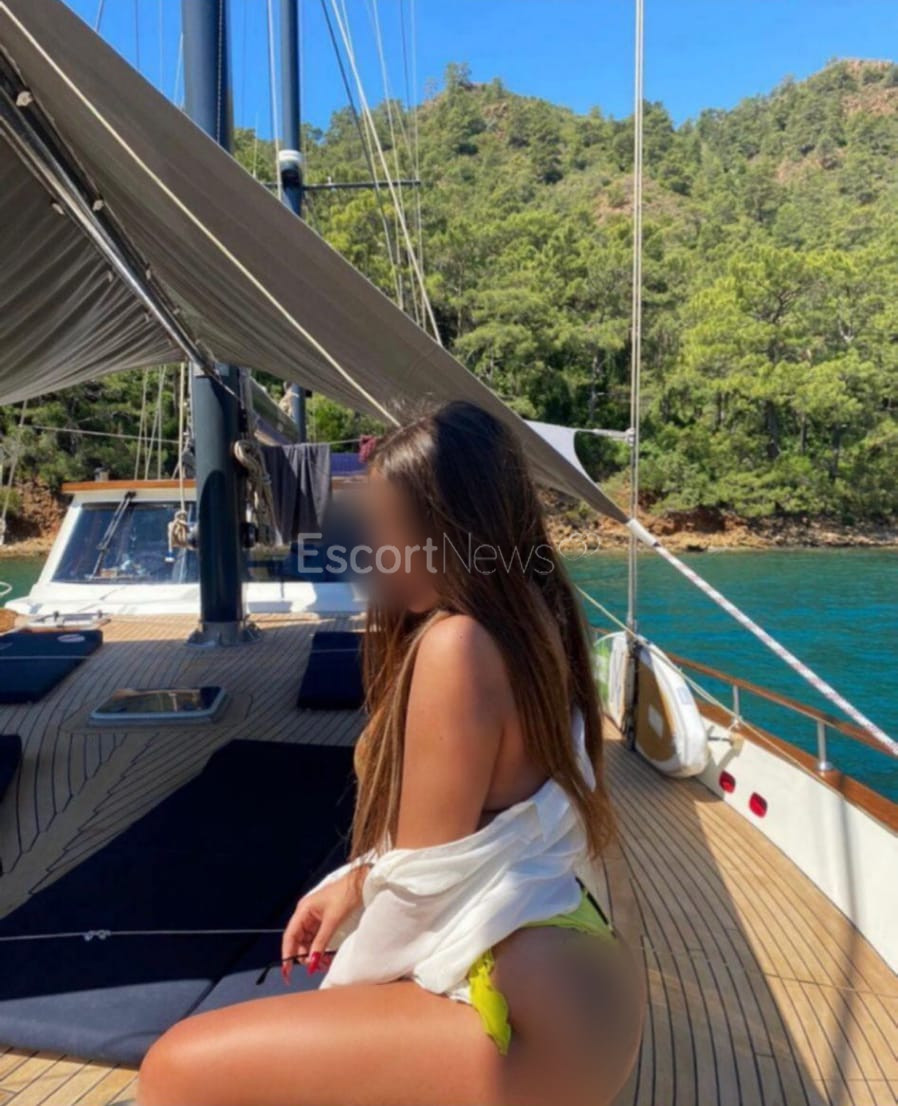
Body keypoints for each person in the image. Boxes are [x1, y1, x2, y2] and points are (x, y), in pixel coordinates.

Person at [137, 400, 646, 1106]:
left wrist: (335, 999)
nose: (372, 553)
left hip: (530, 1034)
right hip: (578, 989)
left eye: (389, 529)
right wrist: (355, 882)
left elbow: (423, 887)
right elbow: (457, 838)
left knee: (174, 1071)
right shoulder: (537, 615)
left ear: (451, 531)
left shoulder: (457, 645)